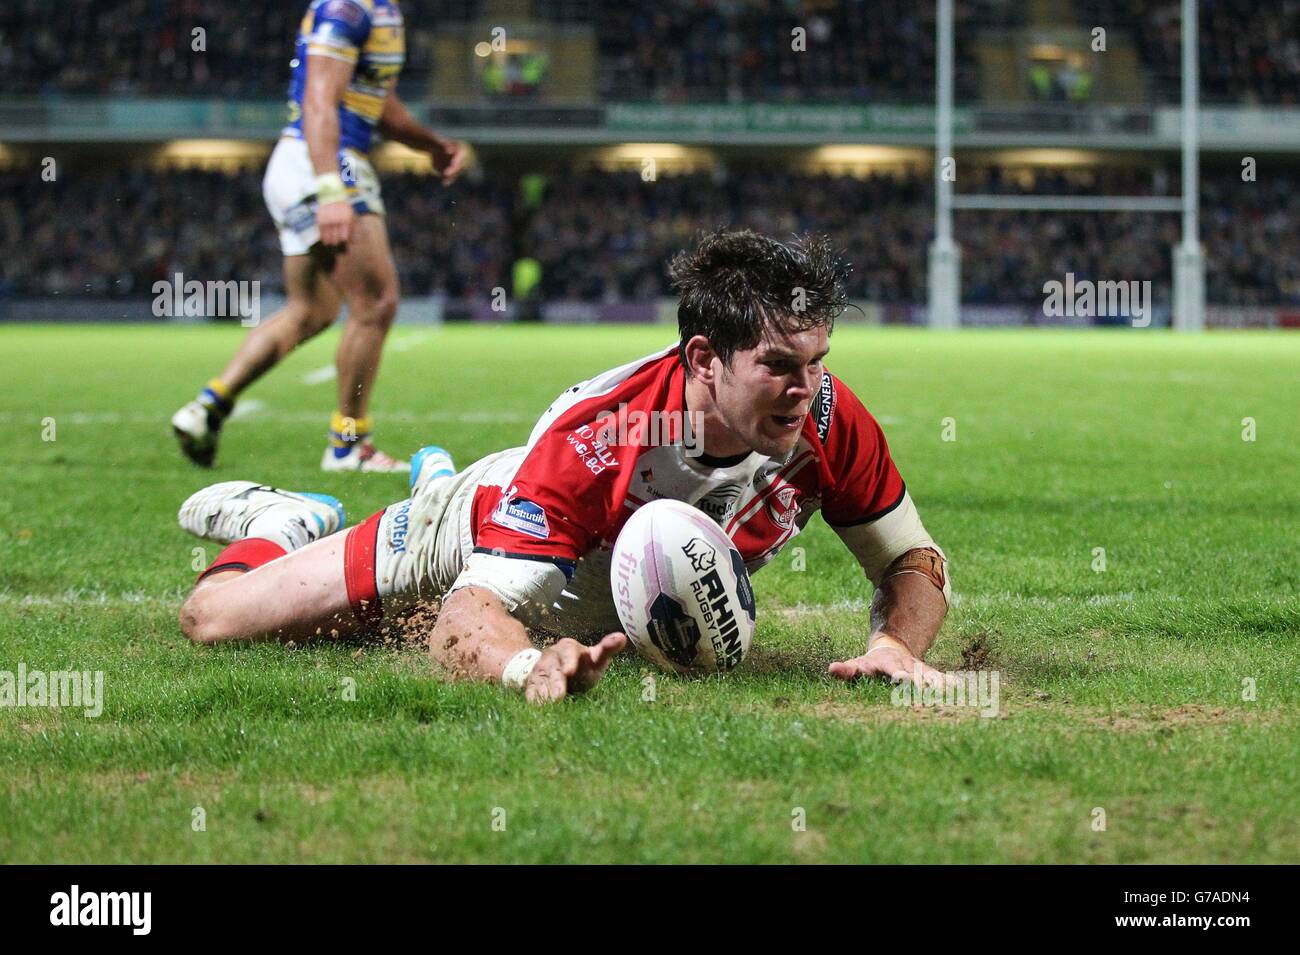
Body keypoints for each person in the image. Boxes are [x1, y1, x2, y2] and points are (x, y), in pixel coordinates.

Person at [175, 231, 952, 703]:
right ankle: (286, 521)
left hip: (576, 589)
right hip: (470, 525)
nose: (806, 388)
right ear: (704, 360)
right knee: (216, 621)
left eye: (818, 362)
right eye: (780, 365)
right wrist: (523, 668)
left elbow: (914, 561)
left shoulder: (824, 417)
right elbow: (461, 618)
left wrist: (897, 647)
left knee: (359, 637)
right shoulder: (601, 440)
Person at [171, 0, 466, 472]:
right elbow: (318, 99)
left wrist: (431, 145)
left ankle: (209, 406)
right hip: (325, 164)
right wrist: (331, 188)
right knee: (376, 303)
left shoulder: (383, 12)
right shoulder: (347, 9)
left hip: (307, 164)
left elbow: (378, 103)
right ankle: (348, 444)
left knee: (312, 310)